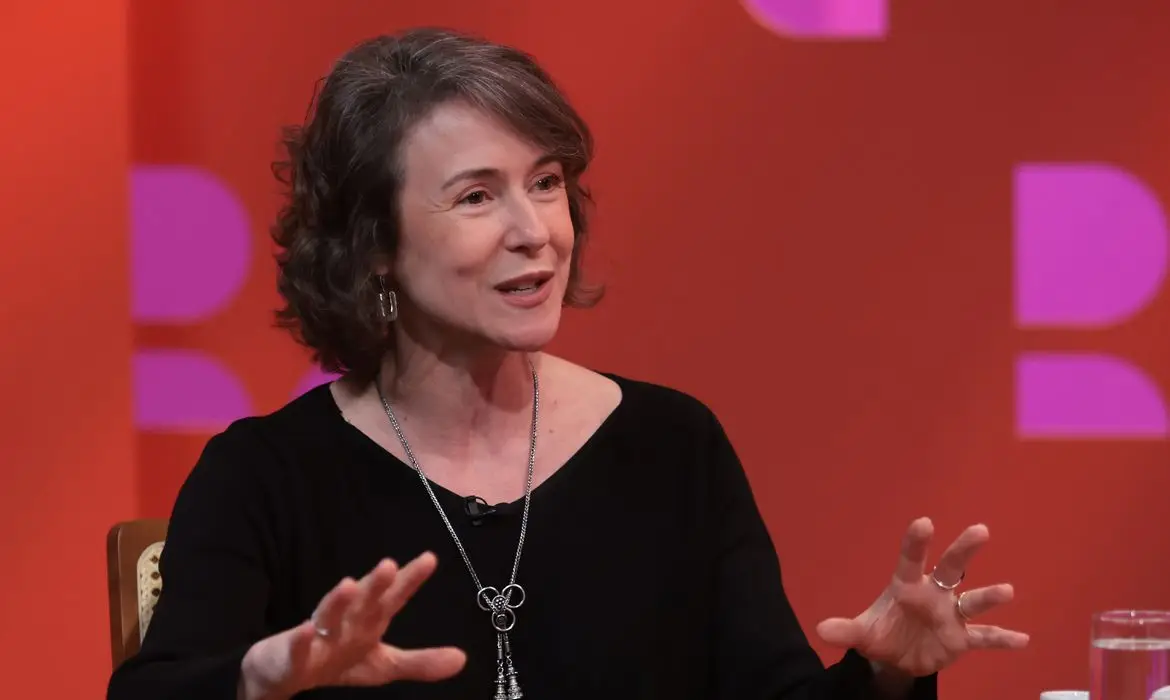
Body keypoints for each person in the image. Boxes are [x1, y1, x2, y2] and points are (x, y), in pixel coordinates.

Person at [106, 27, 1028, 700]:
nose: (536, 231)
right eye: (478, 196)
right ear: (374, 245)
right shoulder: (266, 477)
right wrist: (259, 679)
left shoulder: (671, 448)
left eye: (546, 183)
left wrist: (886, 674)